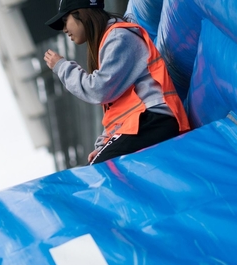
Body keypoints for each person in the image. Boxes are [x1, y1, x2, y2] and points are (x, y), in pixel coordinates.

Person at [43, 0, 190, 165]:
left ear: (82, 13)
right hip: (142, 122)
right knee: (97, 169)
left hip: (153, 120)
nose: (64, 29)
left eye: (65, 21)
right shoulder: (108, 42)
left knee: (99, 170)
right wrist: (104, 144)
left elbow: (98, 90)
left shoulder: (119, 37)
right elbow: (117, 109)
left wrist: (62, 67)